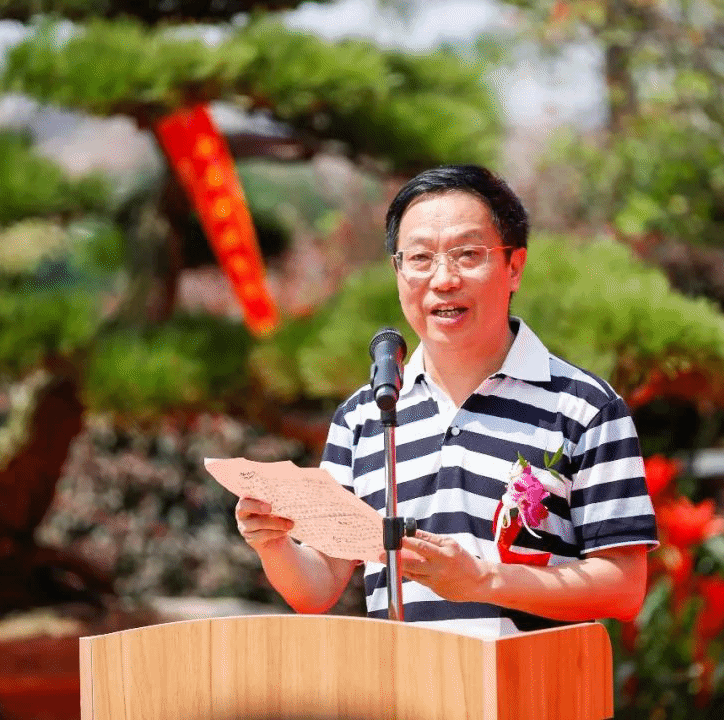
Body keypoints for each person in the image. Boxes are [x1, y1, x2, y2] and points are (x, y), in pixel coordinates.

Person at [236, 165, 658, 637]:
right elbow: (318, 588)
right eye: (419, 257)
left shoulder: (585, 408)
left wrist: (483, 580)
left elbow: (623, 586)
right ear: (398, 271)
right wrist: (272, 543)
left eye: (467, 254)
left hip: (531, 681)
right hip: (405, 683)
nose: (443, 279)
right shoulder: (363, 418)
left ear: (514, 267)